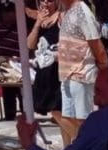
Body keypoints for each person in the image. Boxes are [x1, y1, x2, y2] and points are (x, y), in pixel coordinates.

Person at [58, 0, 108, 147]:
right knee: (66, 118)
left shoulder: (82, 11)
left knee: (83, 120)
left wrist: (105, 70)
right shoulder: (68, 11)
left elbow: (96, 44)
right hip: (67, 74)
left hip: (81, 74)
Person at [28, 0, 63, 138]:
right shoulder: (39, 21)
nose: (46, 3)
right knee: (54, 111)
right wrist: (37, 24)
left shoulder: (62, 17)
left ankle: (78, 140)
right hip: (44, 72)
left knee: (60, 111)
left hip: (59, 70)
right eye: (43, 0)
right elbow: (30, 45)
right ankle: (68, 148)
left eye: (50, 0)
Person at [0, 4, 21, 121]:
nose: (7, 16)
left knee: (21, 91)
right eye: (5, 13)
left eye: (9, 13)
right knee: (8, 92)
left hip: (18, 64)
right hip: (4, 64)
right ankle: (9, 116)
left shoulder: (21, 28)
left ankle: (25, 114)